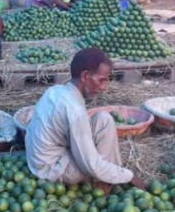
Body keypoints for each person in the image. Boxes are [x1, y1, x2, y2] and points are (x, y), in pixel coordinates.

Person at [26, 49, 146, 190]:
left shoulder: (56, 90)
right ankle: (103, 184)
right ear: (84, 76)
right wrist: (129, 176)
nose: (103, 87)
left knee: (104, 119)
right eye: (101, 80)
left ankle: (107, 176)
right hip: (52, 170)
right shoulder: (75, 111)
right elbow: (91, 164)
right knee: (96, 165)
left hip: (40, 160)